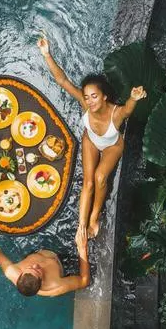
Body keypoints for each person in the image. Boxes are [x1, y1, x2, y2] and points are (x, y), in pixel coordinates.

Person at [37, 36, 146, 238]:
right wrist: (46, 54)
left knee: (100, 177)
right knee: (87, 183)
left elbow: (128, 111)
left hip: (112, 145)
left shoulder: (116, 113)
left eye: (94, 96)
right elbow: (62, 80)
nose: (89, 101)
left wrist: (133, 98)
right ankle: (81, 226)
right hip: (91, 141)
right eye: (86, 96)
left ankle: (94, 218)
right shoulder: (85, 104)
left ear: (104, 96)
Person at [0, 203, 90, 297]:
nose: (36, 265)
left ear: (21, 273)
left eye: (31, 268)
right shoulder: (55, 286)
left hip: (44, 248)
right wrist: (82, 248)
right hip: (63, 262)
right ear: (41, 281)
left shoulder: (13, 271)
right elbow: (84, 281)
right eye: (38, 270)